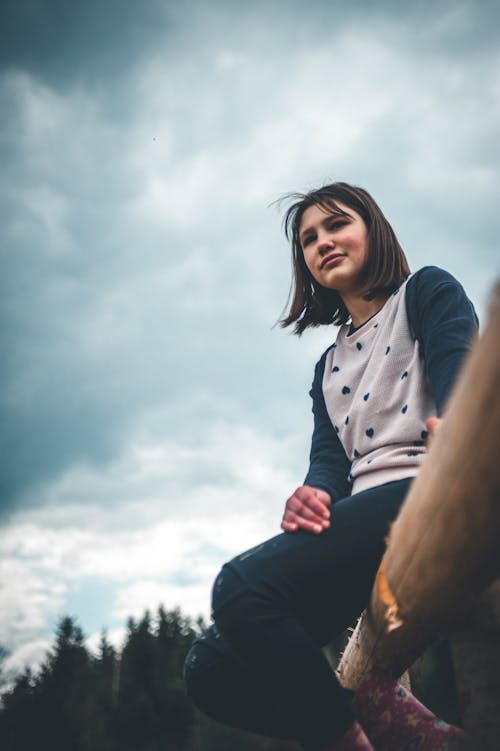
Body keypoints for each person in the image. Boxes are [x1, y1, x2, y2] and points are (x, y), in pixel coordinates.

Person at [184, 182, 478, 751]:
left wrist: (459, 422)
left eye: (336, 225)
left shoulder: (426, 292)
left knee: (239, 586)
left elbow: (456, 364)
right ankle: (374, 721)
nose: (322, 242)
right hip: (366, 534)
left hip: (428, 496)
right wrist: (313, 493)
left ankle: (347, 742)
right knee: (209, 666)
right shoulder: (327, 366)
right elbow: (329, 462)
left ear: (373, 229)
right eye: (308, 240)